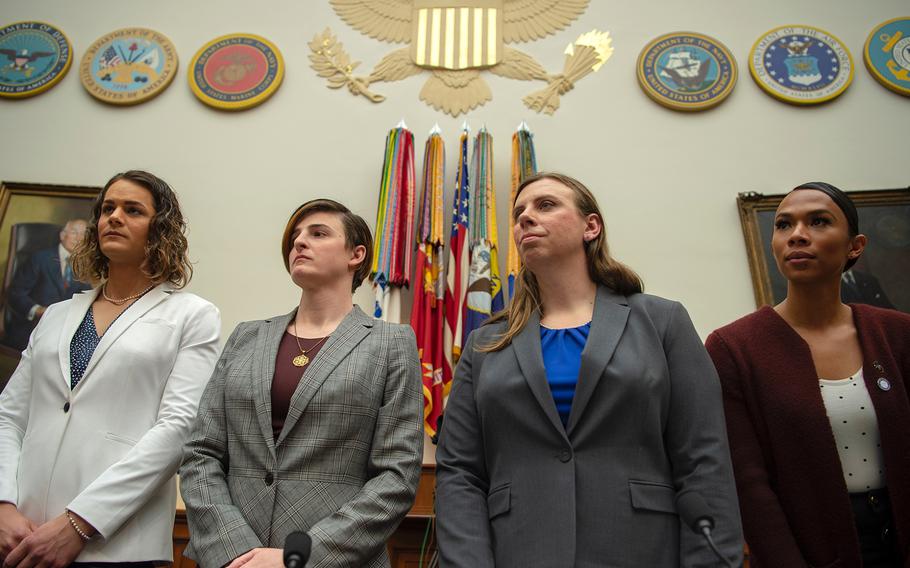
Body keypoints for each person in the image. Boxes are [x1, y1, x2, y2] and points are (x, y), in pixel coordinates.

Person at [435, 172, 743, 567]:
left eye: (545, 205)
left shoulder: (662, 321)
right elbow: (460, 470)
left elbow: (704, 456)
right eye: (519, 213)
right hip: (518, 551)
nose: (526, 218)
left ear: (590, 226)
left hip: (642, 549)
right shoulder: (486, 342)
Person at [180, 198, 423, 568]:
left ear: (356, 254)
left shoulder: (392, 344)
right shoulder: (246, 337)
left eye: (318, 233)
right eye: (295, 235)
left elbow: (396, 476)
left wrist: (300, 556)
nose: (298, 242)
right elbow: (201, 452)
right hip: (233, 560)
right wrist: (235, 550)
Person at [0, 170, 221, 565]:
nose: (113, 217)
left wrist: (80, 522)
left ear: (161, 230)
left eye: (132, 210)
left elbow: (177, 429)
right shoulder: (56, 314)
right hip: (22, 536)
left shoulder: (193, 315)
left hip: (116, 543)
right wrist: (4, 504)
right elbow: (9, 417)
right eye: (107, 208)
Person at [706, 182, 910, 567]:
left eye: (818, 222)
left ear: (856, 245)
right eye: (784, 225)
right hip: (811, 549)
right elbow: (749, 484)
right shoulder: (733, 348)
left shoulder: (897, 335)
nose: (797, 235)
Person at [4, 219, 93, 351]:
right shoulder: (39, 258)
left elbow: (84, 299)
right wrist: (37, 310)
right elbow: (15, 293)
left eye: (84, 235)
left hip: (60, 332)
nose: (79, 238)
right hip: (30, 328)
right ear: (62, 235)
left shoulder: (83, 266)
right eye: (75, 232)